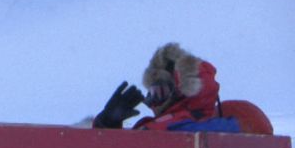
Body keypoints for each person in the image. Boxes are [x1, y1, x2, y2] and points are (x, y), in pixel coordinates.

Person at [93, 42, 241, 132]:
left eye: (160, 91)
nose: (154, 101)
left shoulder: (211, 127)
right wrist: (107, 124)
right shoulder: (149, 126)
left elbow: (224, 134)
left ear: (181, 89)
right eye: (152, 92)